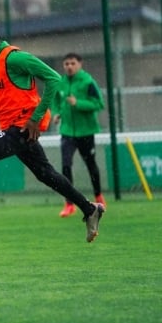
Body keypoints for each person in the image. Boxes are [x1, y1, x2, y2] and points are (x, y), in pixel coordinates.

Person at [0, 10, 105, 250]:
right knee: (45, 173)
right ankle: (89, 208)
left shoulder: (15, 58)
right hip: (13, 130)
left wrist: (36, 118)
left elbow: (53, 78)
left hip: (20, 128)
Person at [53, 52, 106, 217]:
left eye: (72, 63)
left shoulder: (88, 81)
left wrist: (78, 103)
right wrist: (56, 113)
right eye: (66, 63)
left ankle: (99, 197)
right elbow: (55, 101)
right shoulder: (60, 83)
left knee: (91, 164)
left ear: (80, 64)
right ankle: (69, 203)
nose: (69, 66)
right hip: (67, 132)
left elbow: (99, 104)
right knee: (66, 166)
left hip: (86, 131)